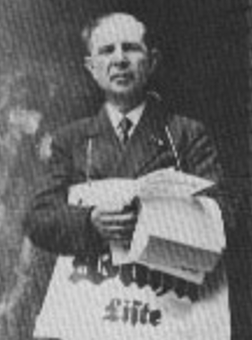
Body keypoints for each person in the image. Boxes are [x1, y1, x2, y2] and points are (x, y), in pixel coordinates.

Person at [23, 12, 232, 339]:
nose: (119, 59)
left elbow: (225, 216)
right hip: (94, 314)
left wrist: (156, 221)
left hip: (164, 315)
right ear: (91, 67)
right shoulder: (71, 142)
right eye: (107, 51)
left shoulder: (187, 136)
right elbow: (38, 219)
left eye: (131, 48)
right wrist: (89, 222)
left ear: (152, 61)